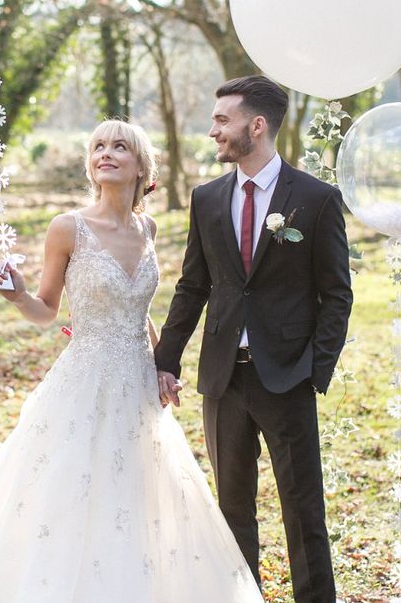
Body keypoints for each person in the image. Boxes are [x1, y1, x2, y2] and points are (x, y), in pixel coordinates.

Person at [0, 119, 263, 602]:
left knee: (137, 496)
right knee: (68, 493)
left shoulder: (148, 227)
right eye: (98, 146)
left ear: (142, 165)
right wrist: (16, 296)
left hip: (138, 385)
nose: (107, 153)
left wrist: (163, 365)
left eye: (120, 147)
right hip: (85, 381)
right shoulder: (67, 228)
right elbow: (46, 310)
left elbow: (138, 313)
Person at [154, 76, 353, 603]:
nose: (214, 130)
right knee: (233, 511)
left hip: (287, 375)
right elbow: (193, 286)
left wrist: (316, 367)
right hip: (222, 379)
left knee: (303, 509)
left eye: (223, 120)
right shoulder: (207, 198)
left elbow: (337, 294)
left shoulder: (316, 199)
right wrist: (163, 360)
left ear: (256, 125)